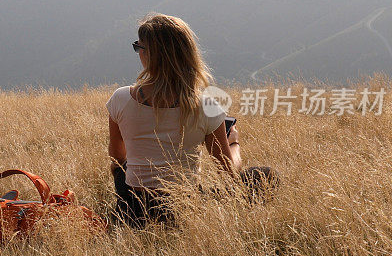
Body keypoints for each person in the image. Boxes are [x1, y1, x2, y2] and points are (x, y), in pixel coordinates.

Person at [106, 14, 277, 227]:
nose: (138, 53)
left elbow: (116, 157)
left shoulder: (120, 98)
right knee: (266, 175)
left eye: (139, 47)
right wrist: (233, 143)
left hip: (131, 207)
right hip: (181, 208)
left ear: (150, 55)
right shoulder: (206, 107)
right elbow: (228, 173)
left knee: (123, 170)